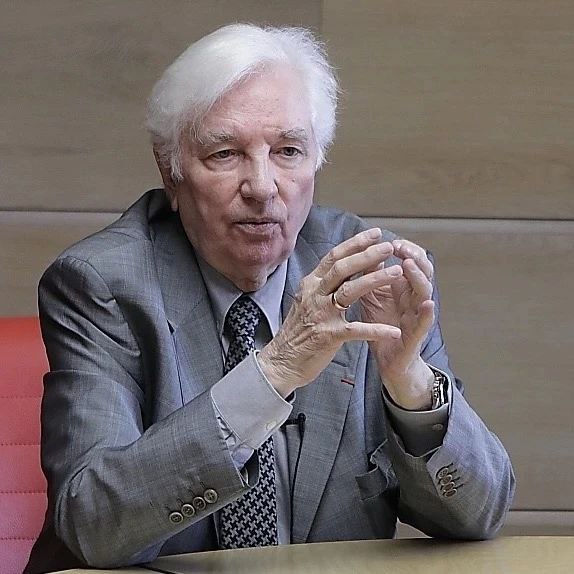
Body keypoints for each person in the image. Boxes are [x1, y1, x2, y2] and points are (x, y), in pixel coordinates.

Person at [25, 23, 515, 573]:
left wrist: (410, 383)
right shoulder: (103, 284)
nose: (262, 186)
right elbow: (93, 524)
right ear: (171, 171)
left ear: (316, 162)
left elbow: (479, 514)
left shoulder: (367, 274)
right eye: (225, 154)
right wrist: (274, 371)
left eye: (287, 151)